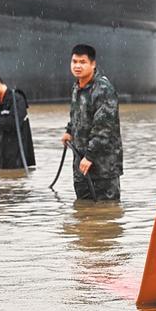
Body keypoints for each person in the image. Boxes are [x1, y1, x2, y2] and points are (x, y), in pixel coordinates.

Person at [61, 44, 123, 201]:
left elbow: (104, 129)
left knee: (107, 210)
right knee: (83, 209)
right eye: (74, 62)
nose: (77, 66)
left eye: (82, 62)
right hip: (81, 164)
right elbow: (76, 115)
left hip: (103, 168)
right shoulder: (77, 87)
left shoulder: (103, 89)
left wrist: (90, 156)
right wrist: (69, 131)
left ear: (93, 64)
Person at [0, 72, 36, 170]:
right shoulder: (0, 103)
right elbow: (0, 127)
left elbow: (13, 124)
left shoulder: (17, 99)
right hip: (3, 157)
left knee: (15, 177)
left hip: (16, 158)